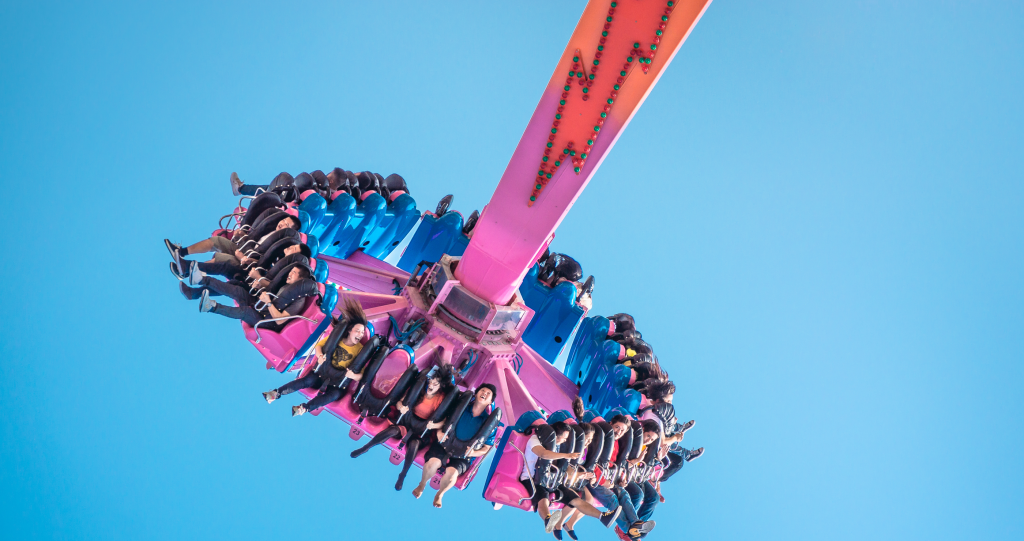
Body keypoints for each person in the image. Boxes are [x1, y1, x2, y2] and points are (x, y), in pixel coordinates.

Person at [349, 364, 457, 490]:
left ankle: (403, 474)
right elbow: (400, 401)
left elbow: (443, 421)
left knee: (414, 444)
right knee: (393, 430)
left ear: (440, 387)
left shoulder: (441, 399)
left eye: (435, 384)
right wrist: (401, 407)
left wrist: (434, 425)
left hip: (421, 431)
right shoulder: (419, 390)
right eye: (431, 382)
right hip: (406, 422)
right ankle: (366, 447)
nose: (431, 385)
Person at [261, 299, 369, 415]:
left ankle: (304, 408)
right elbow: (319, 346)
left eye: (362, 333)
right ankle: (276, 393)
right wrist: (320, 356)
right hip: (322, 371)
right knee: (307, 380)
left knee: (334, 395)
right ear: (349, 331)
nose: (360, 334)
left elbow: (360, 375)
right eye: (357, 331)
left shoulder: (360, 350)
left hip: (338, 380)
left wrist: (353, 375)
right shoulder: (337, 339)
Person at [520, 421, 622, 534]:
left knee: (575, 499)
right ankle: (548, 519)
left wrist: (577, 473)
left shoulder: (556, 445)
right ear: (554, 435)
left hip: (551, 480)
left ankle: (602, 517)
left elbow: (560, 466)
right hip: (531, 479)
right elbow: (544, 454)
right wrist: (567, 455)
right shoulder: (534, 440)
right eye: (564, 438)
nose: (565, 441)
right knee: (542, 497)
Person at [411, 384, 498, 509]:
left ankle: (440, 494)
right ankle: (422, 484)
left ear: (490, 401)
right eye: (482, 390)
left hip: (464, 454)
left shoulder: (490, 424)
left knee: (452, 474)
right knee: (433, 463)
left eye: (488, 393)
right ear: (476, 394)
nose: (484, 393)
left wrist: (473, 452)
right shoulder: (461, 408)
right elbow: (446, 420)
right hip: (446, 443)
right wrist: (439, 432)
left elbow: (487, 448)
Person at [180, 263, 316, 330]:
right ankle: (201, 281)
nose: (289, 274)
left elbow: (280, 321)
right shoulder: (287, 287)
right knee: (239, 290)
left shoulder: (298, 300)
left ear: (301, 279)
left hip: (265, 321)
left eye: (293, 273)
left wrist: (268, 303)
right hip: (260, 306)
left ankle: (211, 307)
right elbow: (273, 294)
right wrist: (261, 287)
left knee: (246, 312)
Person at [164, 213, 299, 278]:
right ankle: (181, 252)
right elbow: (253, 239)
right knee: (217, 240)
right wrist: (242, 235)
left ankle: (186, 270)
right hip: (244, 248)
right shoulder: (268, 229)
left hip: (249, 264)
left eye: (286, 225)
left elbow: (268, 264)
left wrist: (244, 258)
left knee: (222, 258)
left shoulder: (282, 247)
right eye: (283, 220)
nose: (282, 224)